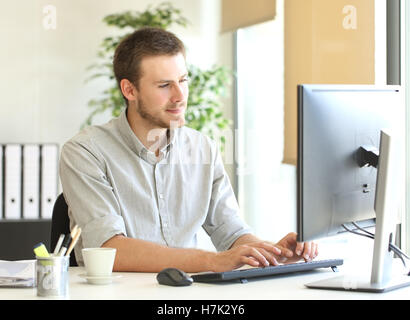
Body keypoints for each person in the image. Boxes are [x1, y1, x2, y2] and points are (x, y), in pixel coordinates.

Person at [59, 27, 318, 273]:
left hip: (185, 290)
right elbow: (109, 249)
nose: (180, 95)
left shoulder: (203, 147)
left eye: (183, 80)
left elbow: (231, 232)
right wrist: (212, 261)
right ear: (129, 89)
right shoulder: (85, 152)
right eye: (164, 85)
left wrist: (273, 253)